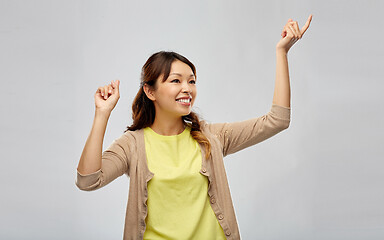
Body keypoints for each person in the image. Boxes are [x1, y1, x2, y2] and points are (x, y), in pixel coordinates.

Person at [75, 15, 313, 240]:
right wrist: (101, 114)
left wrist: (282, 52)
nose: (187, 88)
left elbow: (277, 120)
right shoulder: (132, 145)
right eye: (176, 80)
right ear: (150, 91)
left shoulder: (211, 137)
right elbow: (88, 181)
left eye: (191, 81)